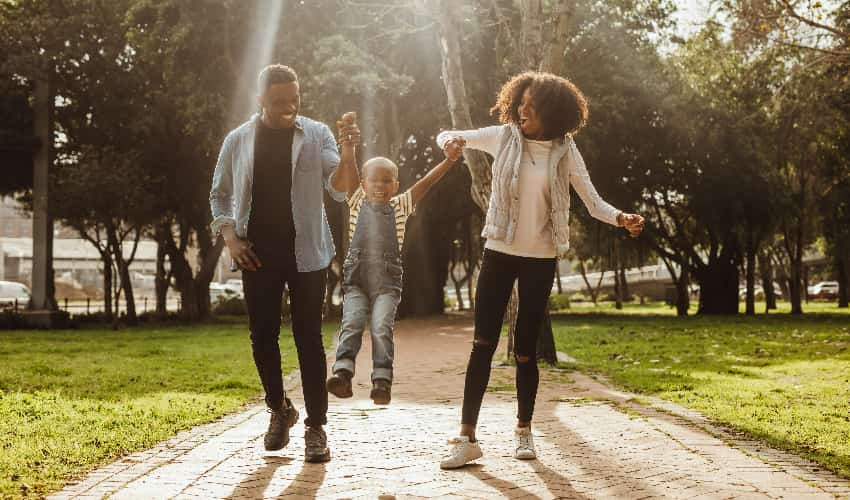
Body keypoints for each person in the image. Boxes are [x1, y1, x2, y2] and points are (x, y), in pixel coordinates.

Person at [436, 71, 645, 469]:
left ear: (553, 112)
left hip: (540, 259)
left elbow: (592, 201)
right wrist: (451, 141)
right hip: (499, 251)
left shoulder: (566, 152)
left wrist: (621, 218)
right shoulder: (503, 137)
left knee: (527, 351)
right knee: (482, 345)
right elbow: (449, 133)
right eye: (520, 102)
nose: (521, 110)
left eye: (531, 106)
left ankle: (524, 432)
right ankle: (466, 437)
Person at [209, 64, 360, 462]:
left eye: (294, 99)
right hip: (256, 253)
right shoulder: (238, 140)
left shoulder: (316, 134)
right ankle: (279, 409)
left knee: (308, 338)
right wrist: (230, 238)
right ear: (260, 100)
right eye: (279, 102)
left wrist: (348, 152)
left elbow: (341, 189)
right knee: (262, 337)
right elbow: (219, 195)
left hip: (307, 251)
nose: (288, 107)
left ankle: (316, 429)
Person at [327, 113, 465, 405]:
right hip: (356, 283)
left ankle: (381, 381)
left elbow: (427, 182)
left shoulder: (402, 204)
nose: (380, 185)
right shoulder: (356, 201)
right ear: (363, 184)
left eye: (387, 180)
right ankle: (342, 373)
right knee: (351, 323)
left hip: (387, 285)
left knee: (380, 327)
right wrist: (348, 141)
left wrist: (450, 161)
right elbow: (349, 164)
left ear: (396, 184)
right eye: (374, 180)